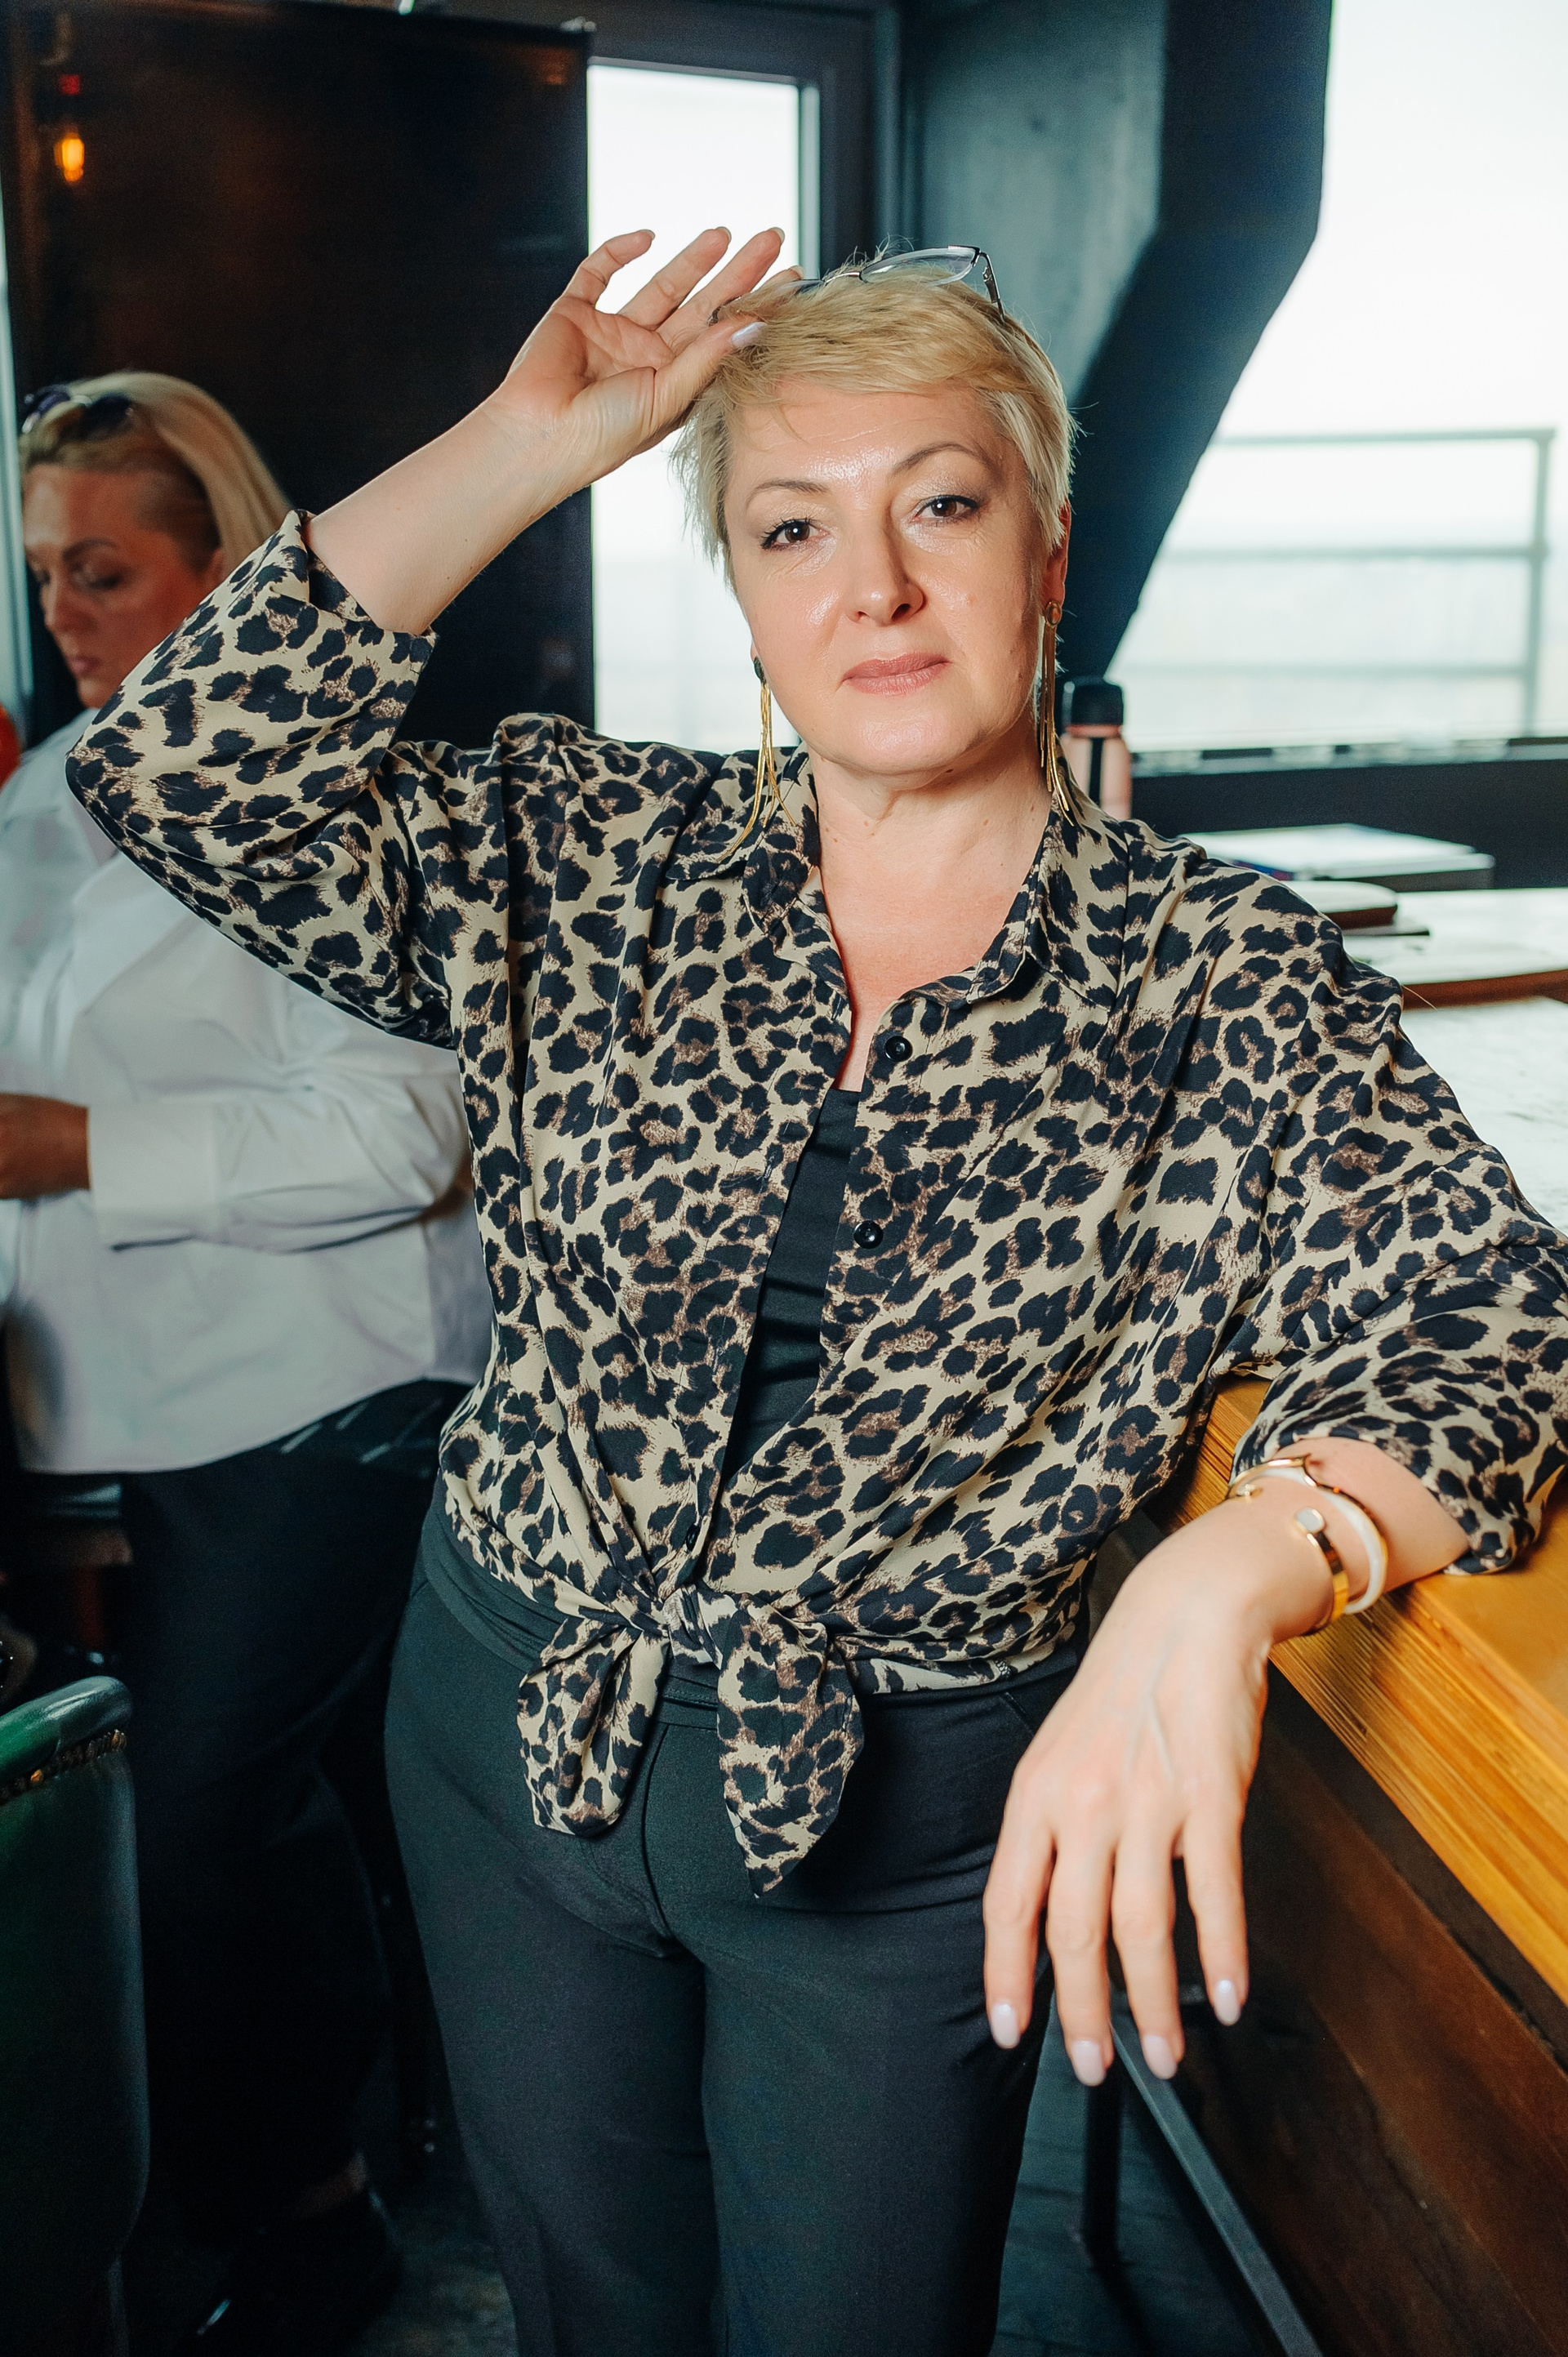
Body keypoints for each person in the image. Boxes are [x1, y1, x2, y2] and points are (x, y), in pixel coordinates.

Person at [68, 235, 1568, 2357]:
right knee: (596, 2315)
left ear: (1049, 554)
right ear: (748, 598)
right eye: (792, 528)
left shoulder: (1221, 972)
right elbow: (179, 767)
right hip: (506, 1735)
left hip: (909, 1822)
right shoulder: (596, 849)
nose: (872, 585)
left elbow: (1497, 1322)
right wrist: (528, 442)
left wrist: (1240, 1564)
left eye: (940, 502)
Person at [3, 373, 491, 2354]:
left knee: (207, 1814)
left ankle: (315, 2218)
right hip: (120, 1400)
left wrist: (73, 1146)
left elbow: (407, 1137)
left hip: (331, 1390)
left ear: (227, 571)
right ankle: (202, 2190)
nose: (64, 615)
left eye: (104, 571)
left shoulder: (339, 794)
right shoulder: (50, 791)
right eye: (44, 575)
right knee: (205, 1813)